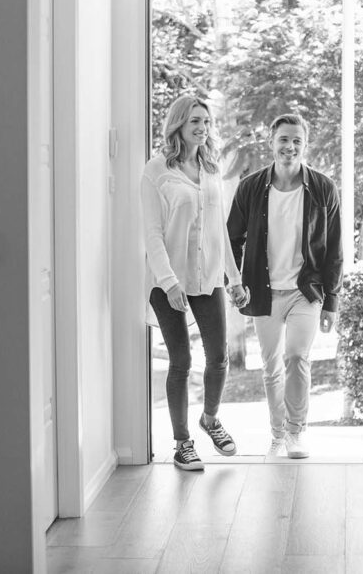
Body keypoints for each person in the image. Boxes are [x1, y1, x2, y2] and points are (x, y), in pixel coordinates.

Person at [141, 95, 250, 471]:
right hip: (168, 279)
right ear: (178, 125)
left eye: (206, 121)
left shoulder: (210, 168)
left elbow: (219, 229)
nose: (203, 128)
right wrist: (169, 283)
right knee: (181, 360)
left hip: (207, 276)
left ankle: (211, 419)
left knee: (218, 357)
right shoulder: (156, 171)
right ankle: (182, 443)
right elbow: (152, 234)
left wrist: (234, 279)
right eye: (195, 122)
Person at [227, 114, 343, 460]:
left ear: (304, 145)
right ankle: (277, 435)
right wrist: (234, 282)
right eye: (283, 139)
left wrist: (332, 302)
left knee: (296, 356)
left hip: (305, 291)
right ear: (271, 142)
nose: (290, 147)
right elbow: (231, 239)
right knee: (271, 366)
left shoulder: (323, 188)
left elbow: (334, 250)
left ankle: (295, 432)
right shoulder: (250, 187)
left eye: (296, 140)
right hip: (262, 291)